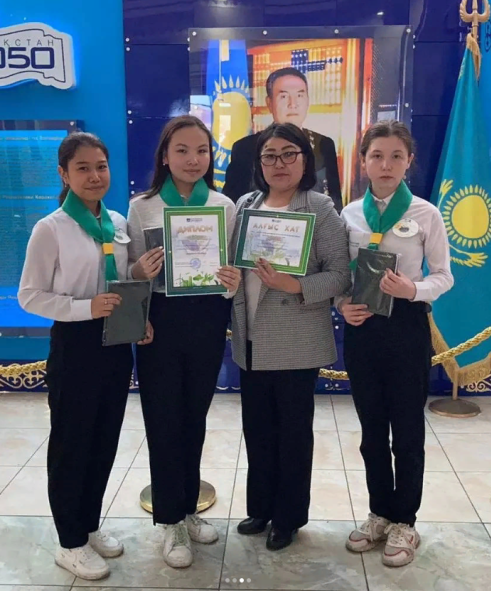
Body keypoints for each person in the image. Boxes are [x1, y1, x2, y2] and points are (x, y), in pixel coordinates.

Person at [18, 132, 153, 581]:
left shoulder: (116, 222)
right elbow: (29, 296)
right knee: (72, 444)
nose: (95, 176)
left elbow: (120, 279)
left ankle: (89, 525)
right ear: (64, 174)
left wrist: (138, 308)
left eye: (101, 166)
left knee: (103, 440)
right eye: (83, 168)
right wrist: (84, 308)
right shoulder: (51, 228)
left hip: (116, 343)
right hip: (75, 344)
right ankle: (69, 542)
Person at [230, 122, 351, 551]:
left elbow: (340, 275)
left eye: (288, 154)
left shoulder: (319, 208)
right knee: (257, 430)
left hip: (296, 339)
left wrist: (294, 285)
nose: (278, 163)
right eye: (269, 156)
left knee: (293, 435)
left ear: (305, 160)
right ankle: (261, 508)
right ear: (258, 163)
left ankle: (288, 517)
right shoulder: (246, 204)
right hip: (250, 338)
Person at [127, 115, 241, 569]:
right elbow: (130, 270)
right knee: (162, 419)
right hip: (160, 322)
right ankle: (169, 520)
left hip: (208, 319)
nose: (193, 160)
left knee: (194, 417)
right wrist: (139, 273)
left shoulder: (224, 206)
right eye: (182, 150)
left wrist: (232, 281)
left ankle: (188, 507)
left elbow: (232, 268)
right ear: (164, 156)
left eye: (201, 151)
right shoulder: (143, 207)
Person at [339, 120, 453, 567]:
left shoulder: (426, 214)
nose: (386, 165)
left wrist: (413, 290)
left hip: (406, 325)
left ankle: (405, 520)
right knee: (371, 431)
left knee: (406, 430)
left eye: (396, 156)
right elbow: (338, 273)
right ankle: (379, 513)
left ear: (409, 162)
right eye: (377, 156)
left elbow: (444, 275)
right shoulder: (349, 214)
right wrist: (342, 304)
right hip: (362, 326)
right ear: (363, 161)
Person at [223, 67, 342, 212]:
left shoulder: (323, 144)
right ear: (269, 103)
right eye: (284, 97)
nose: (293, 104)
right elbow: (233, 205)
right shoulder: (245, 148)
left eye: (300, 95)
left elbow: (335, 200)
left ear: (308, 101)